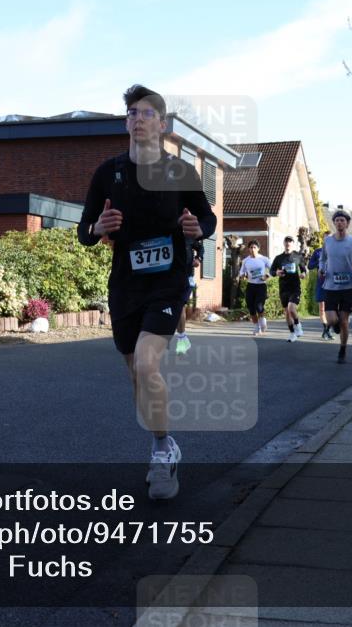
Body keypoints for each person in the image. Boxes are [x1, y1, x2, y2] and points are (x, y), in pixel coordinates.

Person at [77, 84, 215, 500]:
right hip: (125, 284)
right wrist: (98, 229)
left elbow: (206, 218)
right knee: (135, 371)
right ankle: (164, 439)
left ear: (162, 123)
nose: (138, 119)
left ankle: (161, 450)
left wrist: (197, 229)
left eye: (146, 113)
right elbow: (84, 229)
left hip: (167, 281)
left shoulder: (180, 172)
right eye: (132, 113)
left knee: (147, 364)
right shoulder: (108, 172)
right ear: (127, 123)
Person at [319, 206, 352, 363]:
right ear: (334, 223)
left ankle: (342, 349)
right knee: (332, 319)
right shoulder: (327, 241)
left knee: (343, 321)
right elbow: (322, 259)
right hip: (330, 286)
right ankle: (334, 326)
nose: (339, 223)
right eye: (337, 220)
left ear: (347, 224)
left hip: (348, 287)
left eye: (342, 220)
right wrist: (322, 268)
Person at [270, 236, 307, 342]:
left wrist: (303, 274)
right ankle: (292, 333)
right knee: (287, 312)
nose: (288, 243)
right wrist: (276, 273)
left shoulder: (298, 256)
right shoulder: (278, 258)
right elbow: (272, 271)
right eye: (286, 241)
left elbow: (304, 269)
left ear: (293, 244)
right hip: (283, 288)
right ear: (284, 243)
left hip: (295, 287)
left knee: (291, 308)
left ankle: (298, 326)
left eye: (290, 242)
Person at [174, 239, 202, 356]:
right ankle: (182, 337)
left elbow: (200, 247)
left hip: (187, 277)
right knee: (175, 308)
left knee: (179, 305)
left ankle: (181, 339)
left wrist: (197, 258)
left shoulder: (187, 235)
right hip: (169, 278)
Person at [238, 241, 271, 336]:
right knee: (251, 308)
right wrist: (243, 275)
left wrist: (266, 276)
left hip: (261, 285)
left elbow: (272, 270)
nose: (252, 249)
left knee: (259, 306)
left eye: (254, 247)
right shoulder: (245, 261)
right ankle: (257, 327)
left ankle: (263, 321)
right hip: (250, 286)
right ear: (248, 249)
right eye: (251, 247)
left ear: (258, 248)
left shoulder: (264, 259)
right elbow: (241, 273)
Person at [308, 232, 334, 340]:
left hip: (333, 285)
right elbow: (309, 266)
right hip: (321, 283)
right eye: (325, 238)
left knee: (332, 310)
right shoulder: (317, 252)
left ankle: (327, 330)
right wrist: (318, 263)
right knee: (322, 309)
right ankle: (326, 330)